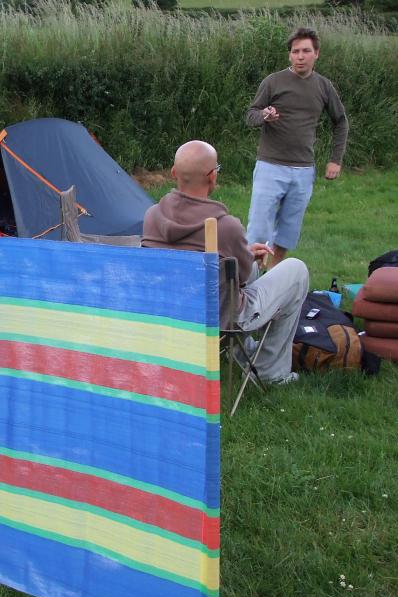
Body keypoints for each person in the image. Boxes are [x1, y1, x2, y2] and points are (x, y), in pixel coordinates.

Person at [142, 140, 309, 385]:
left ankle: (242, 353)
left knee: (245, 266)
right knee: (296, 271)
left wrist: (244, 253)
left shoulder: (151, 216)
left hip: (172, 313)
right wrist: (245, 256)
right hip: (219, 319)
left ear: (174, 173)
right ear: (212, 176)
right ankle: (270, 372)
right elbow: (242, 277)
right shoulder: (226, 226)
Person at [246, 27, 349, 269]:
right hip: (270, 165)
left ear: (316, 54)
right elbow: (250, 116)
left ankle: (274, 273)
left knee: (289, 229)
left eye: (305, 51)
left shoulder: (323, 86)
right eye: (295, 52)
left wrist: (335, 160)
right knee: (259, 227)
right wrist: (264, 115)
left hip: (303, 169)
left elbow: (341, 122)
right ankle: (249, 276)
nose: (300, 57)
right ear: (289, 55)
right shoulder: (273, 82)